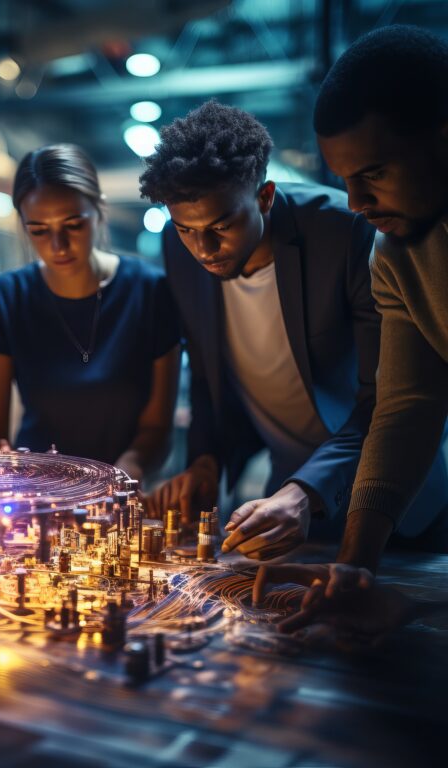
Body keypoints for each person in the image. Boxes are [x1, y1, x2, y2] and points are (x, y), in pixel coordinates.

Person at [140, 99, 444, 559]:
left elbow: (388, 400)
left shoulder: (347, 232)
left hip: (401, 504)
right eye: (186, 229)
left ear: (265, 197)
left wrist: (306, 490)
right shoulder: (178, 246)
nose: (203, 248)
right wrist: (206, 462)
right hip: (287, 509)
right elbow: (209, 376)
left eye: (222, 225)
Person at [254, 25, 448, 632]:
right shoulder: (393, 253)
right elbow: (405, 407)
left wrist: (425, 606)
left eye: (374, 172)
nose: (356, 201)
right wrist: (354, 568)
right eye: (342, 178)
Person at [0, 143, 180, 483]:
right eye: (39, 230)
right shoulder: (9, 295)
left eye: (73, 224)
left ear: (99, 209)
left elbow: (157, 429)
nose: (58, 245)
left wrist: (126, 472)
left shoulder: (150, 290)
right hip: (35, 494)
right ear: (23, 225)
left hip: (120, 494)